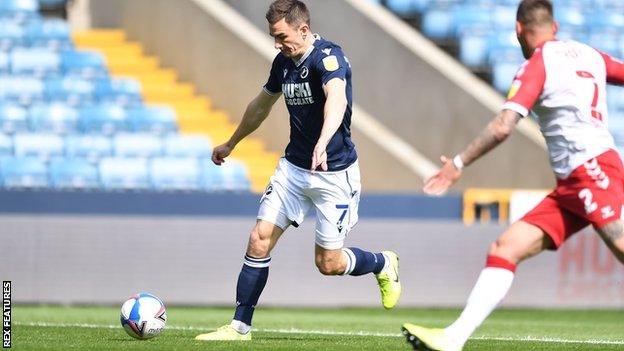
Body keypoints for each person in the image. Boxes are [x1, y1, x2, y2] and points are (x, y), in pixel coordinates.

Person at [401, 0, 624, 350]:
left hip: (591, 168)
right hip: (573, 181)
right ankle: (453, 338)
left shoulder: (537, 65)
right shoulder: (588, 53)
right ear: (556, 27)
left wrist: (457, 163)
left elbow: (504, 127)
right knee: (506, 247)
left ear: (518, 29)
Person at [195, 0, 401, 341]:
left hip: (334, 173)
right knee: (259, 239)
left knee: (328, 264)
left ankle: (382, 263)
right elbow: (260, 106)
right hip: (293, 169)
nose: (277, 44)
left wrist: (324, 140)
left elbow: (338, 98)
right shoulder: (283, 63)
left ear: (303, 30)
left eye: (281, 36)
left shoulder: (329, 57)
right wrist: (232, 143)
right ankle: (239, 327)